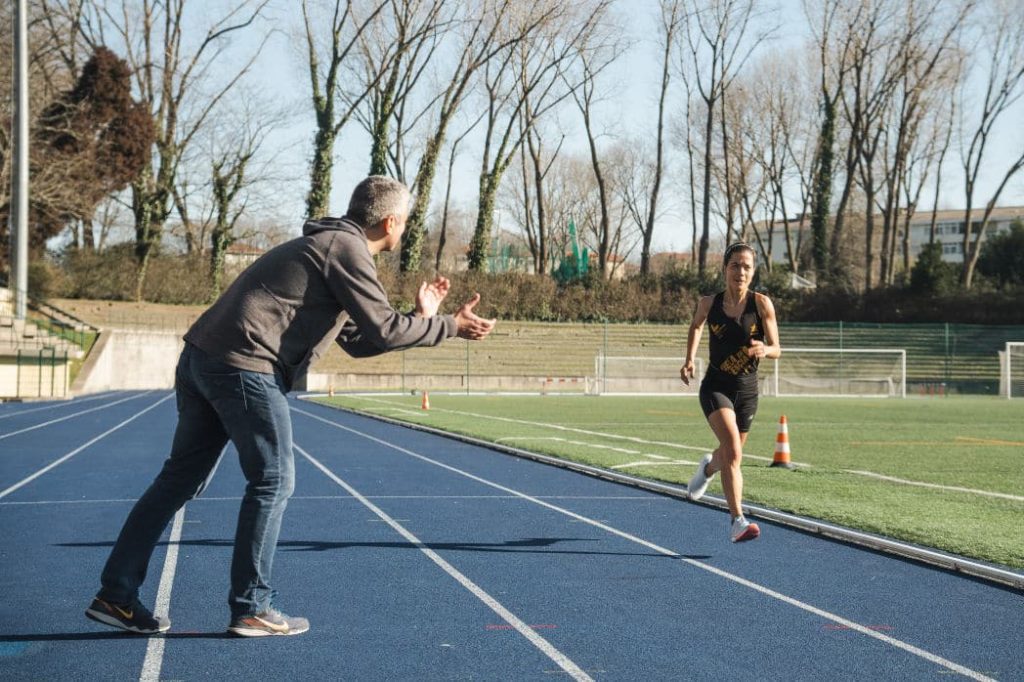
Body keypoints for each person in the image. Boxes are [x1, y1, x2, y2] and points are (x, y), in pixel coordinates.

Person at [85, 175, 496, 637]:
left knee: (178, 479)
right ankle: (252, 606)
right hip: (243, 364)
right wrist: (449, 325)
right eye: (406, 222)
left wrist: (423, 320)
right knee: (273, 479)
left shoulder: (329, 246)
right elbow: (383, 329)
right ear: (391, 221)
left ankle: (115, 595)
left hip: (204, 358)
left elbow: (361, 341)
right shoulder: (347, 250)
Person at [680, 242, 780, 543]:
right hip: (716, 387)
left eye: (747, 266)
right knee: (734, 451)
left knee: (728, 454)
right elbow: (696, 326)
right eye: (735, 264)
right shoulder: (709, 304)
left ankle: (707, 468)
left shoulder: (762, 304)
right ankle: (737, 520)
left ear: (753, 271)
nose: (741, 271)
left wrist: (766, 348)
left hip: (747, 392)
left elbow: (777, 348)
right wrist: (688, 360)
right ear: (725, 268)